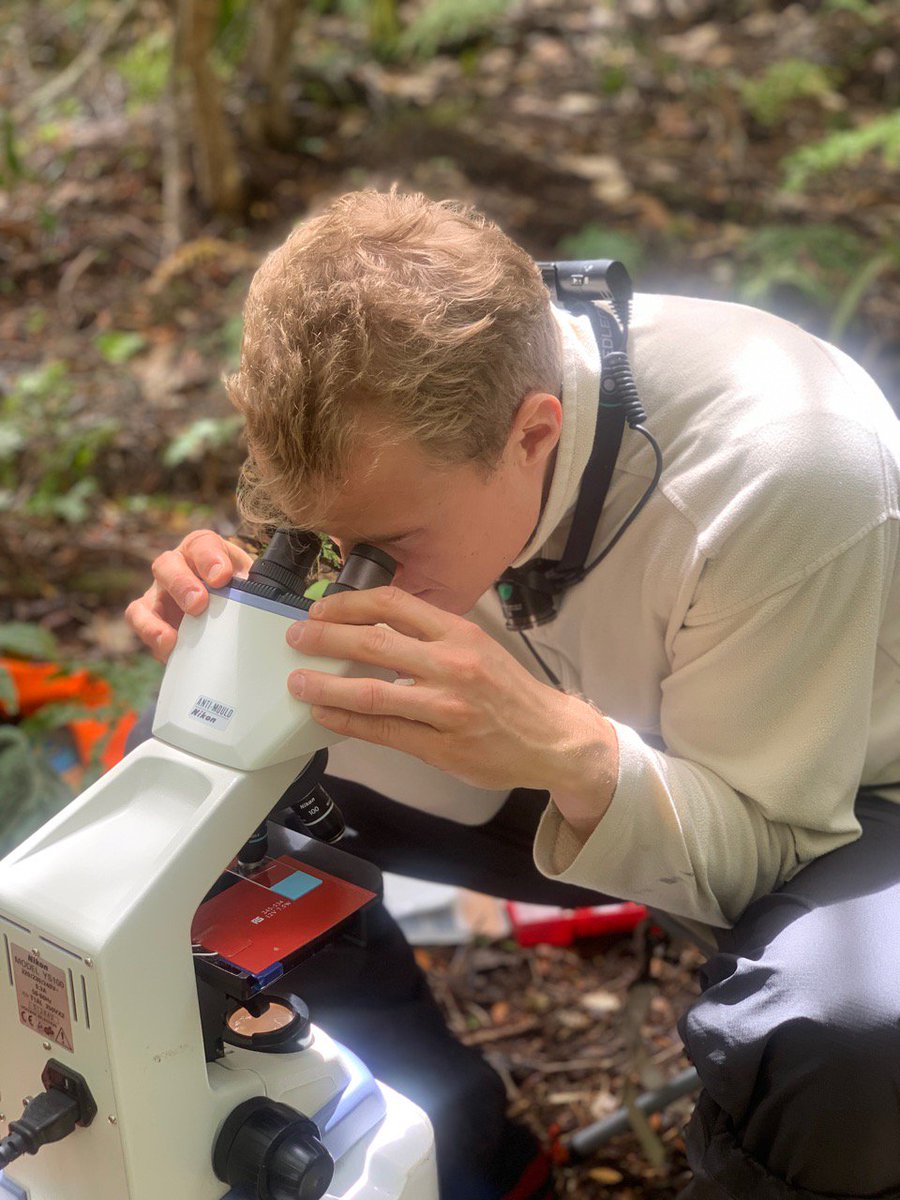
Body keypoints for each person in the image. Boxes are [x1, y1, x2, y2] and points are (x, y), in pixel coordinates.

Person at [125, 188, 900, 1200]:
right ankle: (460, 1163)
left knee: (845, 1046)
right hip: (575, 765)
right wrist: (228, 650)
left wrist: (574, 756)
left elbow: (771, 851)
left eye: (385, 549)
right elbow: (347, 555)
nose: (351, 571)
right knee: (195, 809)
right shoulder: (413, 448)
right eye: (312, 533)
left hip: (838, 812)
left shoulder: (783, 466)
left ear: (534, 433)